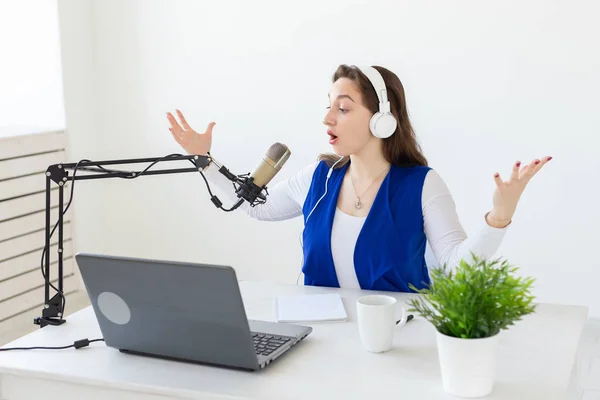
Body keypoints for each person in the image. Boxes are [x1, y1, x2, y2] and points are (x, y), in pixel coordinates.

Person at [166, 64, 551, 292]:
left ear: (381, 119)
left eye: (344, 108)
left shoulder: (420, 185)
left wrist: (498, 217)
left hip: (399, 343)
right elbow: (256, 208)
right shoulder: (319, 178)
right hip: (321, 342)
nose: (328, 118)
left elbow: (454, 265)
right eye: (328, 107)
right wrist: (203, 159)